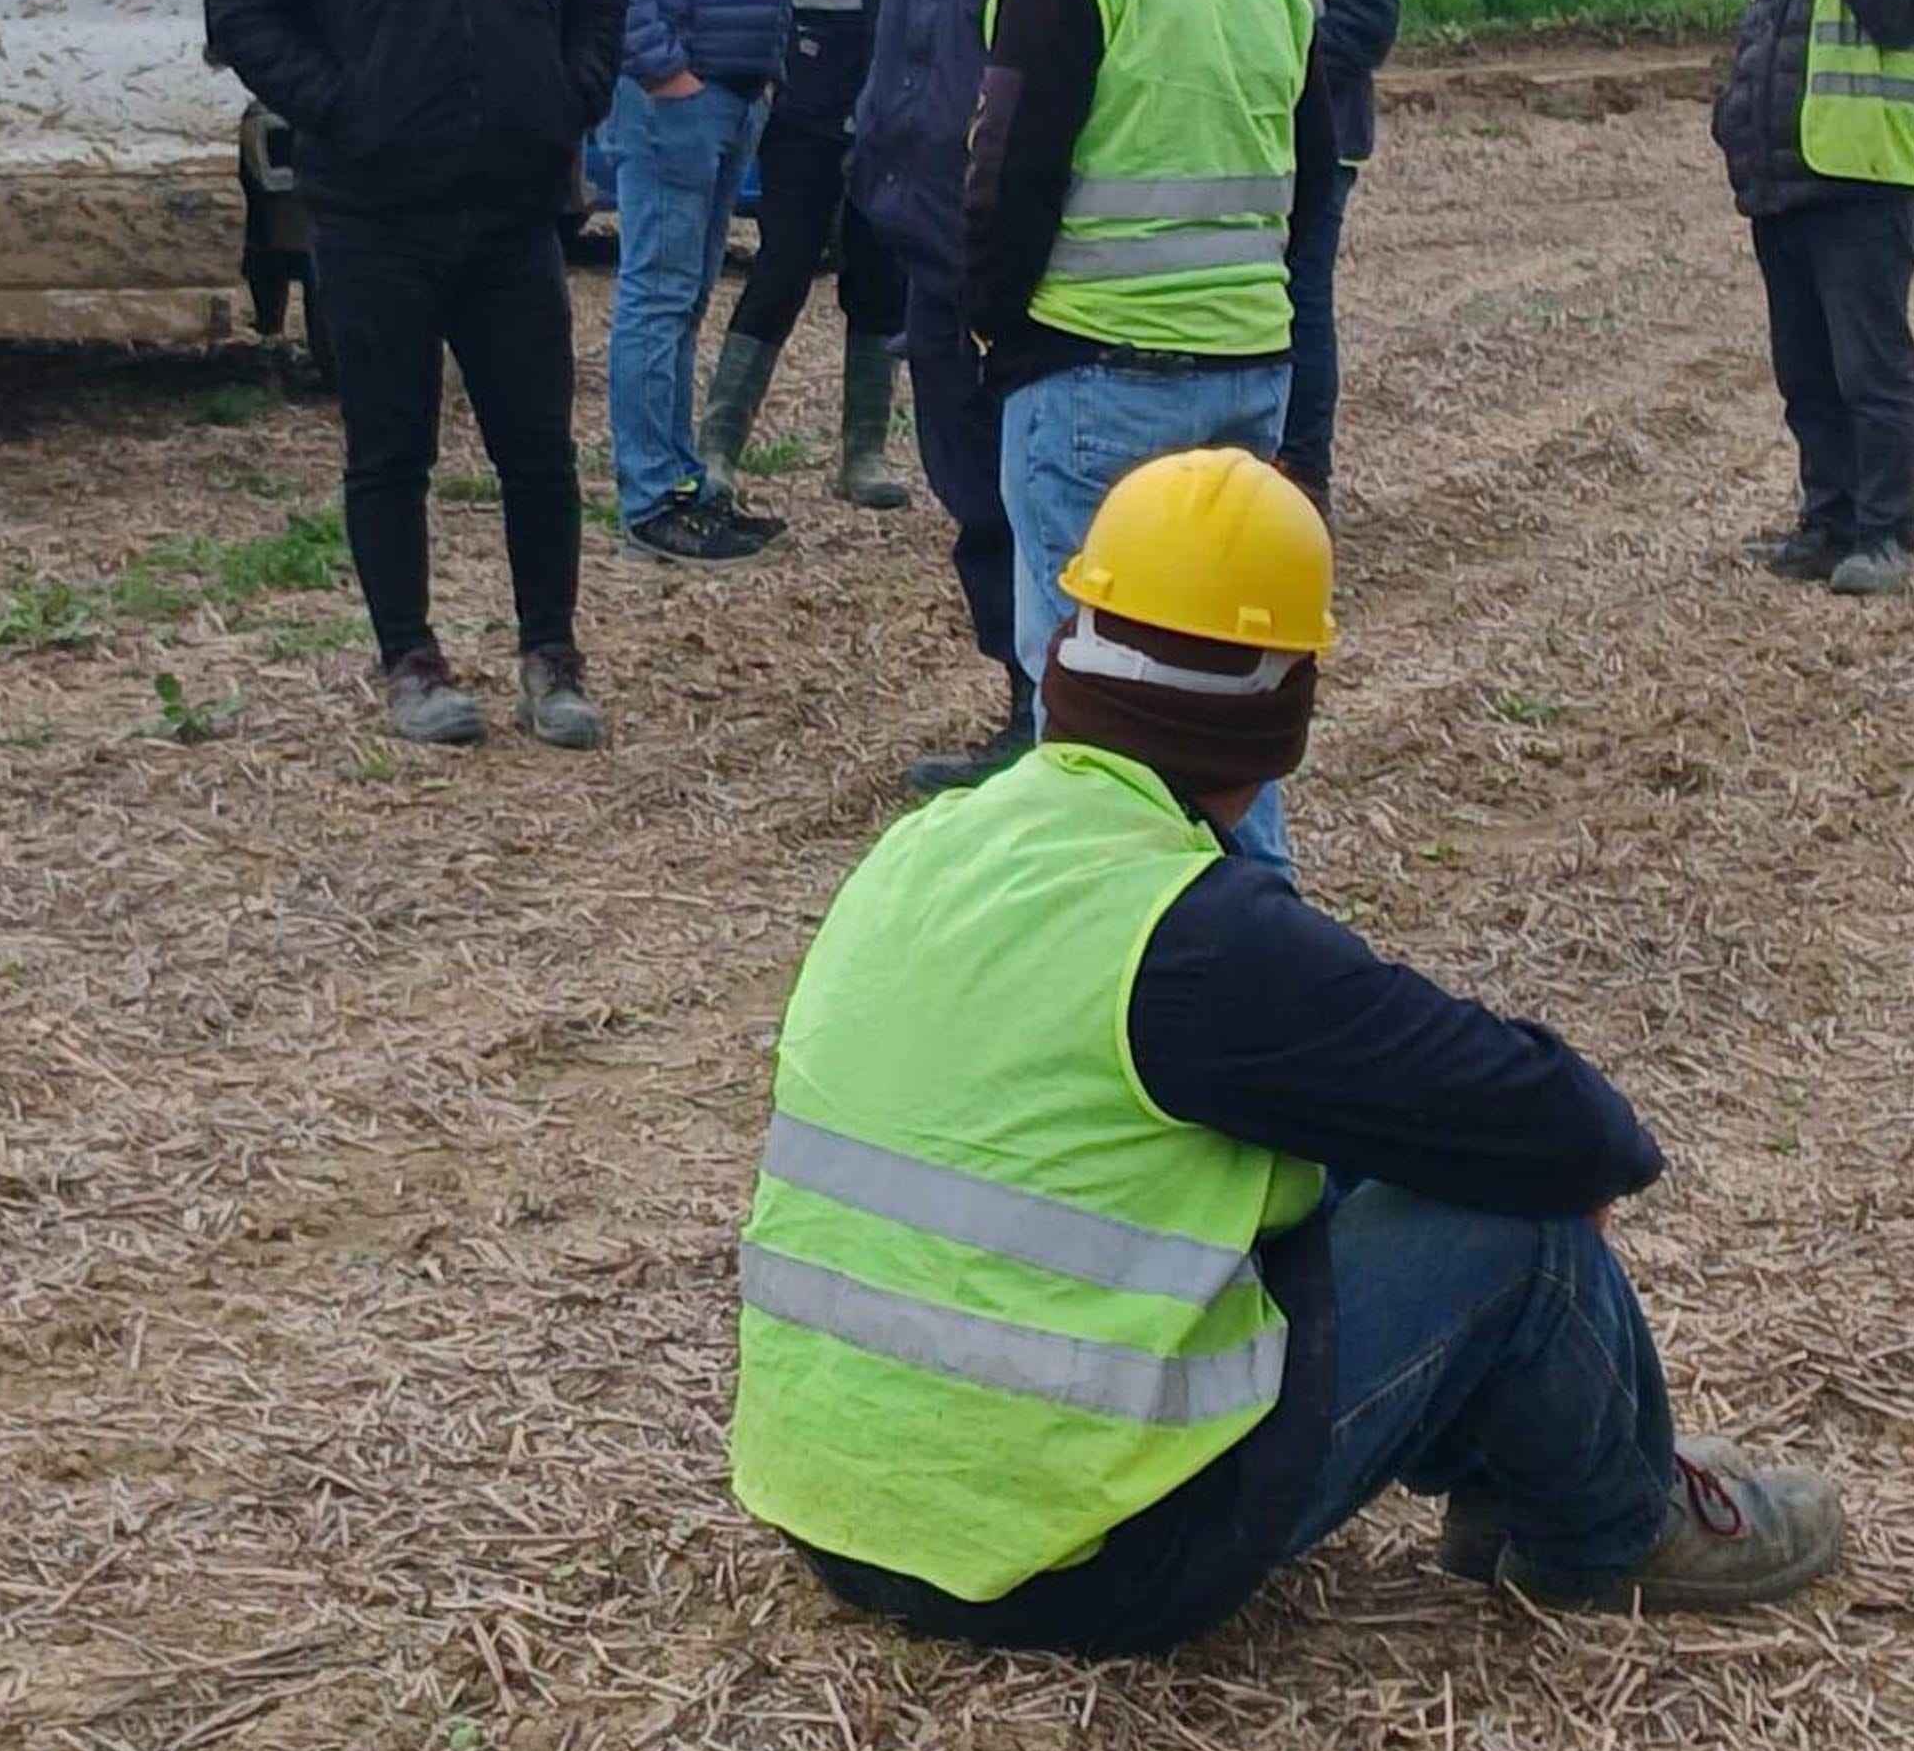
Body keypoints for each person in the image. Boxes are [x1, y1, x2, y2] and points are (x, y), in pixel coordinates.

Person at [728, 447, 1846, 1654]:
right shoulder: (1196, 937)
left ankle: (1510, 1464)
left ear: (1071, 643)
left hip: (843, 1518)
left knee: (1327, 1156)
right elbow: (1556, 1122)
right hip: (1078, 1563)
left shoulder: (928, 844)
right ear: (1277, 719)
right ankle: (1606, 1531)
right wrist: (1553, 1168)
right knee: (1514, 1228)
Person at [206, 0, 625, 747]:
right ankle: (410, 661)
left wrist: (563, 102)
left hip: (511, 219)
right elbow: (241, 9)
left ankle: (550, 656)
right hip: (371, 218)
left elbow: (600, 2)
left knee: (537, 450)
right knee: (389, 451)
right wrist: (345, 109)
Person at [963, 0, 1328, 880]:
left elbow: (1007, 173)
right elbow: (1312, 170)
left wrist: (990, 327)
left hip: (1091, 371)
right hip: (1245, 368)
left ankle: (1098, 923)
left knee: (1088, 695)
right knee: (1216, 686)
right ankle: (1259, 919)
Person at [849, 0, 1072, 787]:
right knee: (972, 496)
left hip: (1016, 261)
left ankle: (1062, 723)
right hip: (927, 244)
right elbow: (903, 48)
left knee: (1039, 500)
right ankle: (1021, 707)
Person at [555, 0, 794, 565]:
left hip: (725, 92)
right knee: (658, 294)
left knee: (687, 292)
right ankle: (654, 498)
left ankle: (685, 483)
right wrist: (662, 67)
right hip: (674, 98)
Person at [697, 0, 937, 512]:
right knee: (782, 268)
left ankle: (862, 455)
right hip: (802, 102)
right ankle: (719, 446)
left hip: (889, 111)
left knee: (880, 280)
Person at [1713, 0, 1914, 596]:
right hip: (1783, 187)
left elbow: (1900, 11)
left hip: (1865, 187)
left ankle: (1885, 535)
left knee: (1870, 372)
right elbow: (1764, 41)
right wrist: (1733, 121)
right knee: (1806, 373)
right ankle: (1827, 523)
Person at [1214, 0, 1418, 514]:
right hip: (1235, 134)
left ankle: (1302, 480)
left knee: (1297, 304)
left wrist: (1264, 79)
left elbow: (1363, 25)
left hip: (1314, 136)